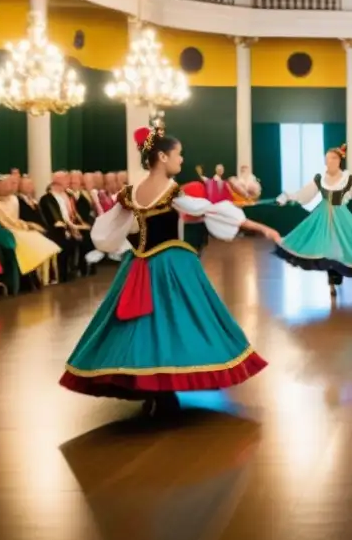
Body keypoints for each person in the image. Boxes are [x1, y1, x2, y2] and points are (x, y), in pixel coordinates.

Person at [59, 124, 281, 418]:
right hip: (170, 264)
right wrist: (260, 227)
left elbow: (108, 228)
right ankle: (163, 389)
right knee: (178, 324)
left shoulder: (130, 192)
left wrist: (106, 248)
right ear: (162, 157)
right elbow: (211, 209)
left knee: (141, 327)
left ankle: (149, 387)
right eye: (178, 155)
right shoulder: (172, 191)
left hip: (137, 264)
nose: (181, 160)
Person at [275, 143, 352, 295]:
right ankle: (332, 278)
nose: (331, 161)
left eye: (334, 158)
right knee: (327, 248)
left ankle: (336, 275)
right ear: (325, 160)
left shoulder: (347, 179)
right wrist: (288, 197)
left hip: (341, 216)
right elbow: (305, 193)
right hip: (322, 216)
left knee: (340, 247)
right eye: (328, 158)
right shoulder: (320, 178)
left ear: (339, 160)